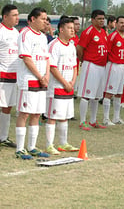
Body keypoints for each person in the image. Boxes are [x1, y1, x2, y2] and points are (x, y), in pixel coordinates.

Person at [15, 7, 50, 159]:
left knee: (36, 113)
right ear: (33, 19)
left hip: (42, 82)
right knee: (24, 113)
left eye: (46, 19)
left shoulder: (43, 37)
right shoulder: (25, 34)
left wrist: (46, 76)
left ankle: (32, 146)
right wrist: (39, 76)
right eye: (42, 18)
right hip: (29, 80)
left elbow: (47, 58)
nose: (45, 22)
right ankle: (20, 148)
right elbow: (26, 58)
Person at [45, 18, 79, 155]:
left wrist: (72, 82)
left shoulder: (71, 46)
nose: (73, 30)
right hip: (56, 87)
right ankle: (49, 145)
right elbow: (52, 67)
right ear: (61, 30)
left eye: (73, 28)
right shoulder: (54, 45)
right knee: (52, 116)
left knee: (65, 116)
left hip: (68, 88)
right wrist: (64, 82)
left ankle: (63, 143)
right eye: (69, 28)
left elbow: (75, 66)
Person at [77, 9, 108, 130]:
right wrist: (83, 60)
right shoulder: (88, 32)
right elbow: (80, 48)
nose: (101, 21)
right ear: (93, 19)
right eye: (99, 19)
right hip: (91, 65)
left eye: (103, 19)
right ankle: (83, 121)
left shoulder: (103, 32)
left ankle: (93, 120)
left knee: (96, 95)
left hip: (101, 66)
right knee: (86, 95)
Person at [102, 16, 124, 126]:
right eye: (121, 22)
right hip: (113, 66)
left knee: (119, 93)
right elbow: (106, 51)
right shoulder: (113, 36)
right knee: (109, 93)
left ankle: (116, 118)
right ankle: (105, 118)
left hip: (123, 66)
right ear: (116, 24)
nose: (123, 25)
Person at [0, 4, 19, 148]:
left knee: (8, 107)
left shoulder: (16, 33)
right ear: (5, 17)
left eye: (18, 15)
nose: (17, 18)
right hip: (2, 75)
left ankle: (3, 137)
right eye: (14, 15)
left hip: (13, 77)